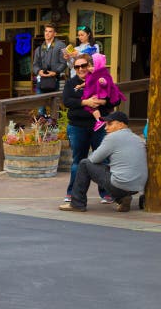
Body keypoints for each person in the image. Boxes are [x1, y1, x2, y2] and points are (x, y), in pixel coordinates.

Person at [59, 111, 147, 213]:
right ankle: (122, 198)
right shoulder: (137, 138)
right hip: (137, 187)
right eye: (105, 125)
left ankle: (77, 204)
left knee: (84, 164)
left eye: (110, 124)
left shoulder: (112, 137)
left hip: (120, 185)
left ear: (121, 125)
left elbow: (93, 160)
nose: (105, 128)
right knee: (112, 171)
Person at [62, 53, 116, 204]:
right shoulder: (71, 83)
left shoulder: (101, 79)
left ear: (90, 65)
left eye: (83, 66)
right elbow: (67, 101)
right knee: (78, 161)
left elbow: (114, 99)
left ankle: (106, 193)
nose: (80, 69)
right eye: (77, 66)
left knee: (103, 160)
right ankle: (73, 193)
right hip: (77, 127)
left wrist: (101, 102)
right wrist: (85, 102)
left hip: (99, 127)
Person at [79, 53, 125, 129]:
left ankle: (101, 120)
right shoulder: (90, 75)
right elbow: (88, 82)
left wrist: (103, 82)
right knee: (92, 106)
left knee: (95, 106)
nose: (89, 68)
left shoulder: (101, 73)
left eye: (89, 66)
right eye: (89, 66)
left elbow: (106, 81)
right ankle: (102, 120)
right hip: (84, 123)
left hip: (102, 94)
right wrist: (81, 86)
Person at [32, 22, 66, 98]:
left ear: (55, 34)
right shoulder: (39, 48)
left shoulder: (61, 45)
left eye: (50, 31)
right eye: (46, 31)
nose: (47, 33)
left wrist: (55, 72)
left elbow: (64, 62)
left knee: (54, 106)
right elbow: (35, 65)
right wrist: (38, 71)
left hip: (54, 80)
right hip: (41, 80)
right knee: (41, 108)